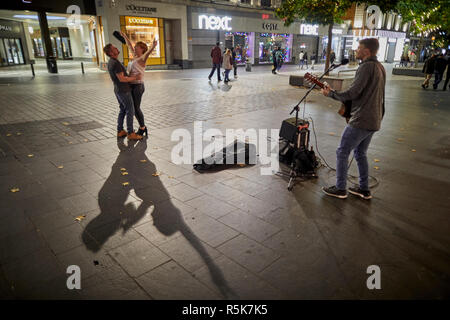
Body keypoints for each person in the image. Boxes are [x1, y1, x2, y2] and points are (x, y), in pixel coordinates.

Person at [320, 38, 386, 200]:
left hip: (362, 119)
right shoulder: (380, 67)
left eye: (359, 48)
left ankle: (341, 188)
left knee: (342, 151)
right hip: (374, 118)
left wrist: (332, 94)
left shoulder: (366, 67)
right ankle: (364, 189)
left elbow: (353, 93)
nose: (356, 50)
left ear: (367, 51)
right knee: (360, 153)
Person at [120, 32, 157, 137]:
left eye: (137, 47)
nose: (135, 48)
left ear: (142, 49)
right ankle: (142, 127)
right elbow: (129, 45)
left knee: (136, 108)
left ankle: (142, 128)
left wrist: (153, 46)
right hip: (131, 85)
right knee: (133, 108)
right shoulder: (134, 57)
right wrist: (125, 36)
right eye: (135, 47)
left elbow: (148, 53)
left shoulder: (142, 59)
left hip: (138, 86)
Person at [103, 43, 143, 140]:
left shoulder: (112, 61)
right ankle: (130, 133)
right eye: (114, 48)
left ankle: (120, 130)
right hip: (123, 90)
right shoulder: (115, 63)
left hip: (118, 90)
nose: (117, 48)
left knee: (123, 110)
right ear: (111, 53)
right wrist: (135, 77)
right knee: (130, 110)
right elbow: (122, 79)